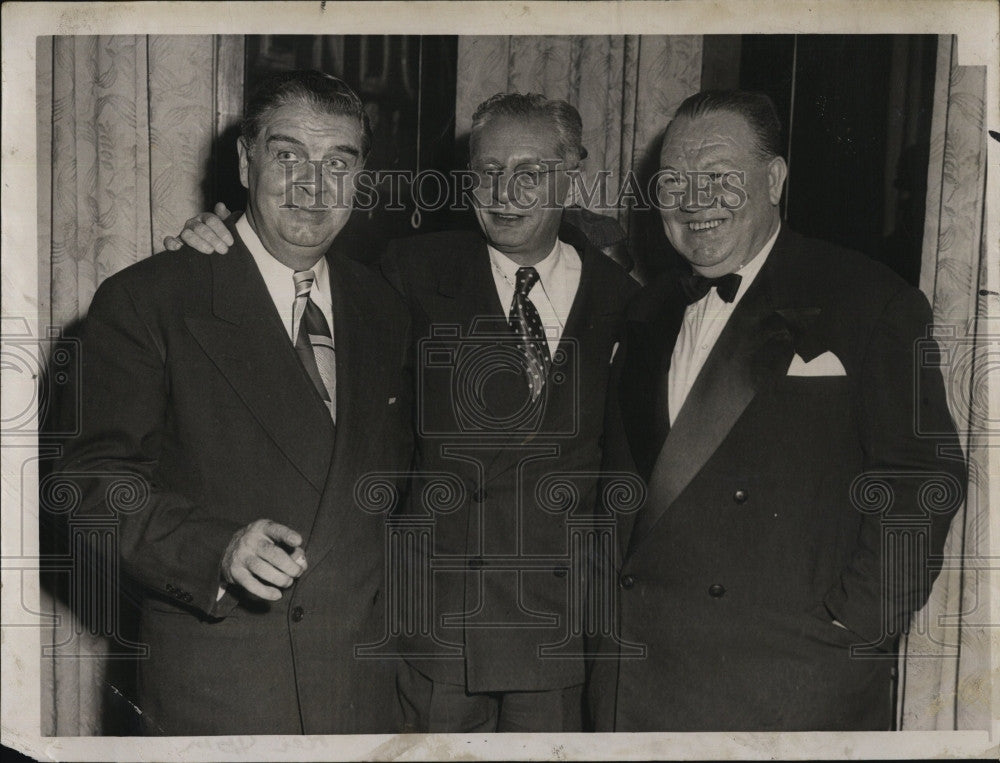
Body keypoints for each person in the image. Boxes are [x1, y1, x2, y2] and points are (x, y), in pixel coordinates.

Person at [168, 92, 640, 732]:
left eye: (529, 174)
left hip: (557, 637)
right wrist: (220, 237)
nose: (504, 193)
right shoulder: (409, 271)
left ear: (572, 173)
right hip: (435, 634)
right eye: (486, 172)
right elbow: (291, 289)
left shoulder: (626, 301)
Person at [589, 90, 966, 731]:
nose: (693, 201)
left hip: (790, 687)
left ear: (775, 179)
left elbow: (924, 477)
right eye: (673, 181)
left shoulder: (868, 298)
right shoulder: (643, 310)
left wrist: (857, 626)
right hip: (639, 682)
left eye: (718, 178)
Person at [60, 70, 414, 735]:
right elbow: (88, 486)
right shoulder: (151, 298)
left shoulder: (385, 305)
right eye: (288, 156)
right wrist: (213, 548)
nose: (314, 184)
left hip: (361, 699)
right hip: (223, 696)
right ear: (245, 162)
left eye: (339, 161)